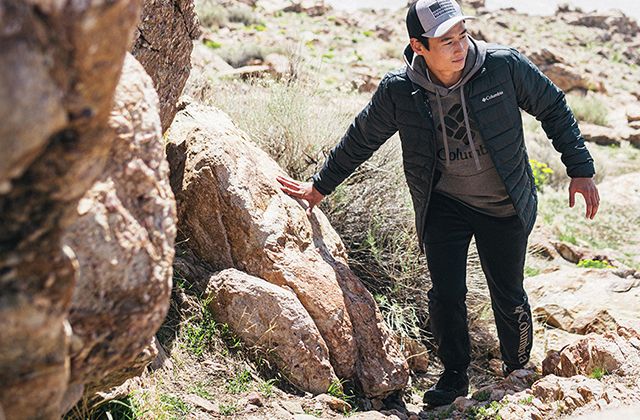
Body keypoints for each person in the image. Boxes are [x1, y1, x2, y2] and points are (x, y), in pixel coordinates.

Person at [277, 0, 600, 407]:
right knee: (446, 294)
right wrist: (320, 186)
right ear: (419, 45)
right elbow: (363, 137)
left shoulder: (503, 66)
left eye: (462, 35)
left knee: (508, 293)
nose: (459, 46)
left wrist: (580, 169)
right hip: (444, 203)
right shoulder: (400, 90)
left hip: (503, 203)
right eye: (446, 40)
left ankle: (516, 368)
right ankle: (454, 376)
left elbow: (552, 106)